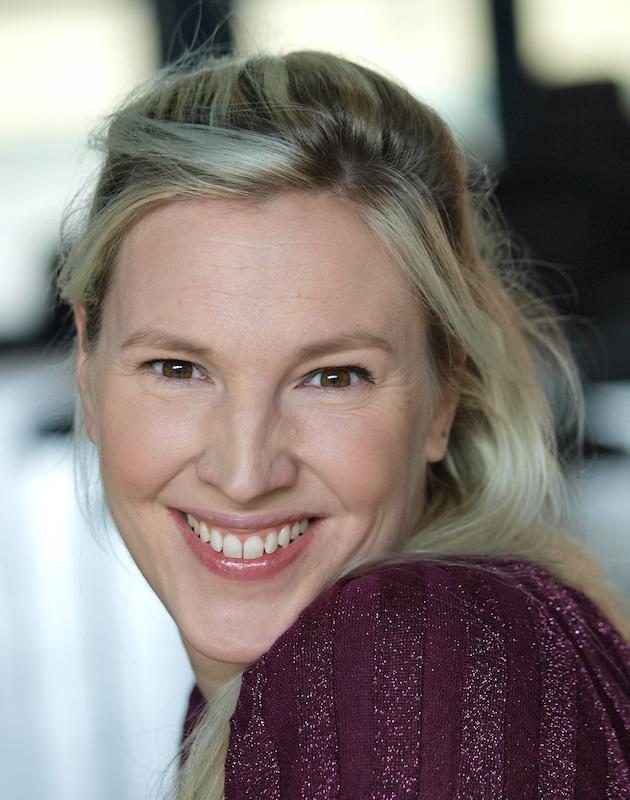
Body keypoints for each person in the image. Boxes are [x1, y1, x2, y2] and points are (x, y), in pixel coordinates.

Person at [56, 50, 630, 799]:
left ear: (444, 395)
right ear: (87, 370)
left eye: (332, 377)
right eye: (177, 368)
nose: (245, 473)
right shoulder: (266, 698)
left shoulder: (406, 660)